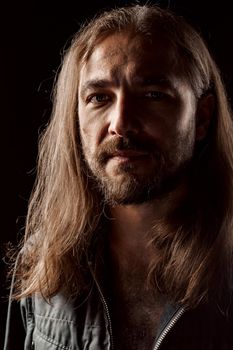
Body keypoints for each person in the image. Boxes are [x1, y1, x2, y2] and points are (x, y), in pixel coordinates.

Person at [4, 4, 233, 350]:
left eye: (153, 96)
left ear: (201, 118)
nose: (120, 123)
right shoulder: (44, 266)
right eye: (99, 98)